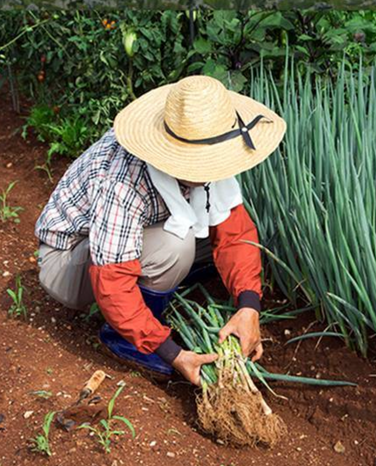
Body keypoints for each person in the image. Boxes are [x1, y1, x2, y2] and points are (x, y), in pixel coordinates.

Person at [34, 75, 287, 386]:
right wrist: (171, 352)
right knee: (176, 245)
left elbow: (235, 234)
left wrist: (249, 308)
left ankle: (154, 296)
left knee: (207, 238)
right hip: (70, 262)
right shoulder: (123, 182)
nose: (210, 171)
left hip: (119, 244)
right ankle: (124, 337)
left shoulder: (206, 146)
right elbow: (112, 283)